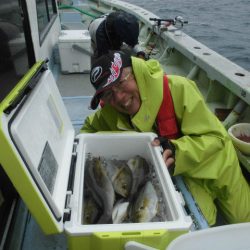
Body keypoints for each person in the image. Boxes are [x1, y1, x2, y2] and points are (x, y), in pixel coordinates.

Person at [81, 50, 250, 226]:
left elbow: (217, 139)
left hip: (218, 169)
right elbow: (86, 132)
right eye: (108, 94)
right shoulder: (110, 114)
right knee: (201, 221)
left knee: (245, 222)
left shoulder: (179, 89)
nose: (120, 98)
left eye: (121, 84)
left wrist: (178, 151)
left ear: (135, 72)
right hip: (183, 176)